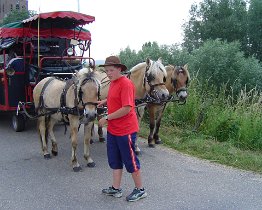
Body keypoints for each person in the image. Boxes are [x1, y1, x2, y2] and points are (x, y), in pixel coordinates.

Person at [98, 55, 147, 202]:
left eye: (111, 70)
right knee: (115, 159)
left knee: (130, 160)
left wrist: (106, 118)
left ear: (119, 69)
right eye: (106, 70)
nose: (108, 73)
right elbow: (116, 97)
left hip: (125, 130)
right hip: (113, 129)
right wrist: (105, 101)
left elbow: (126, 108)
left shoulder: (126, 83)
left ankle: (140, 190)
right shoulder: (114, 82)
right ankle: (116, 188)